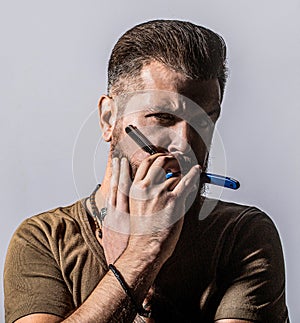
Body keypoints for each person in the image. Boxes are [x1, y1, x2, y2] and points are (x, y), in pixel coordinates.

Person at [4, 20, 289, 323]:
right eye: (163, 117)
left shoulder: (241, 236)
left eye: (203, 122)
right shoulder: (44, 239)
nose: (185, 143)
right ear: (108, 118)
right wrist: (140, 258)